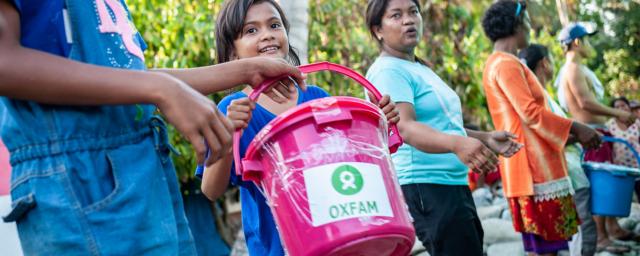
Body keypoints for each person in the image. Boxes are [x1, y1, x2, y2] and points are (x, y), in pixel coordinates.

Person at [0, 0, 307, 254]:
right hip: (78, 179)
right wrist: (160, 89)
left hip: (145, 173)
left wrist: (244, 70)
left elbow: (129, 76)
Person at [198, 1, 400, 255]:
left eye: (274, 25)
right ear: (232, 53)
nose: (267, 34)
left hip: (336, 240)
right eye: (251, 30)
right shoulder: (234, 108)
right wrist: (228, 133)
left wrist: (378, 123)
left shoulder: (316, 97)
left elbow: (347, 161)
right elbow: (210, 190)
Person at [365, 0, 523, 255]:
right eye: (396, 15)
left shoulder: (417, 67)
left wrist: (485, 138)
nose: (408, 20)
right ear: (377, 30)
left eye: (413, 12)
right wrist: (457, 144)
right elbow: (404, 128)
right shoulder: (388, 70)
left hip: (450, 184)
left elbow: (442, 125)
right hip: (425, 187)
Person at [481, 1, 601, 255]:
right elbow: (531, 114)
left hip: (528, 168)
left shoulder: (500, 62)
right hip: (534, 170)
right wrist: (578, 128)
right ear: (516, 24)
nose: (529, 26)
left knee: (544, 249)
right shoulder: (506, 64)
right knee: (547, 249)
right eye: (526, 20)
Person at [555, 22, 639, 251]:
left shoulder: (576, 67)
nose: (590, 45)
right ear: (578, 42)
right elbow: (585, 102)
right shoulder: (572, 67)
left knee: (606, 180)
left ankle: (611, 228)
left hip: (596, 131)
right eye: (588, 39)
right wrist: (618, 113)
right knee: (600, 184)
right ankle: (601, 236)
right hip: (590, 131)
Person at [519, 44, 598, 256]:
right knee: (582, 231)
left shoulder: (537, 96)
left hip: (563, 174)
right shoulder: (538, 98)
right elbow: (546, 137)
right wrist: (582, 135)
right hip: (565, 174)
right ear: (545, 63)